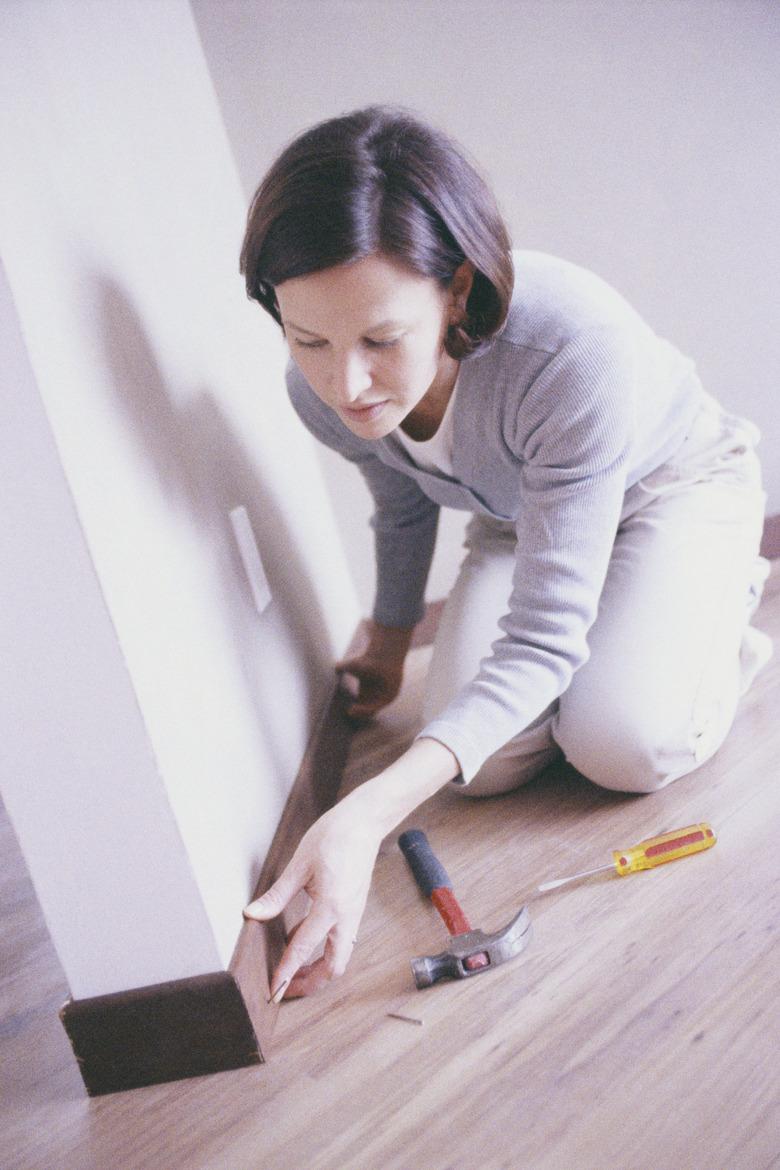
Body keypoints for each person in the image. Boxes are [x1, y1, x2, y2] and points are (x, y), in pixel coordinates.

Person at [240, 105, 771, 1003]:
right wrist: (385, 637)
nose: (347, 384)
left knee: (620, 746)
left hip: (672, 490)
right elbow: (402, 499)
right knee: (481, 765)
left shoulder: (570, 348)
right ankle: (632, 642)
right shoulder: (318, 389)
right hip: (523, 517)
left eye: (380, 340)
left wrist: (362, 817)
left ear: (455, 290)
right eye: (309, 340)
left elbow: (541, 638)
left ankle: (720, 624)